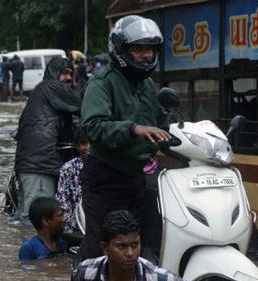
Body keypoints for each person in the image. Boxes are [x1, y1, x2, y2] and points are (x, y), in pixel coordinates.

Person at [76, 15, 173, 264]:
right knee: (103, 244)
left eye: (150, 50)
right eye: (138, 49)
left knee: (138, 241)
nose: (147, 56)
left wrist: (193, 129)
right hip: (105, 177)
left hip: (136, 177)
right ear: (121, 49)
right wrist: (133, 129)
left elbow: (162, 121)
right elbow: (94, 126)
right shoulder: (102, 83)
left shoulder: (147, 85)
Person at [68, 210, 219, 281]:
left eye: (135, 245)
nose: (130, 253)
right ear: (105, 248)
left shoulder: (160, 279)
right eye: (121, 246)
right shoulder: (85, 273)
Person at [12, 57, 80, 225]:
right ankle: (36, 251)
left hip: (35, 163)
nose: (69, 78)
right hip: (40, 164)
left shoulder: (44, 93)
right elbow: (82, 101)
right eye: (65, 73)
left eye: (71, 74)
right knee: (39, 220)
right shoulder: (49, 87)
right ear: (53, 73)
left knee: (25, 218)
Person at [55, 127, 89, 234]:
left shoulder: (108, 167)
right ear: (77, 147)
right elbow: (63, 200)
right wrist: (70, 231)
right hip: (76, 226)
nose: (88, 148)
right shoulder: (68, 168)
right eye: (83, 143)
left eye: (92, 143)